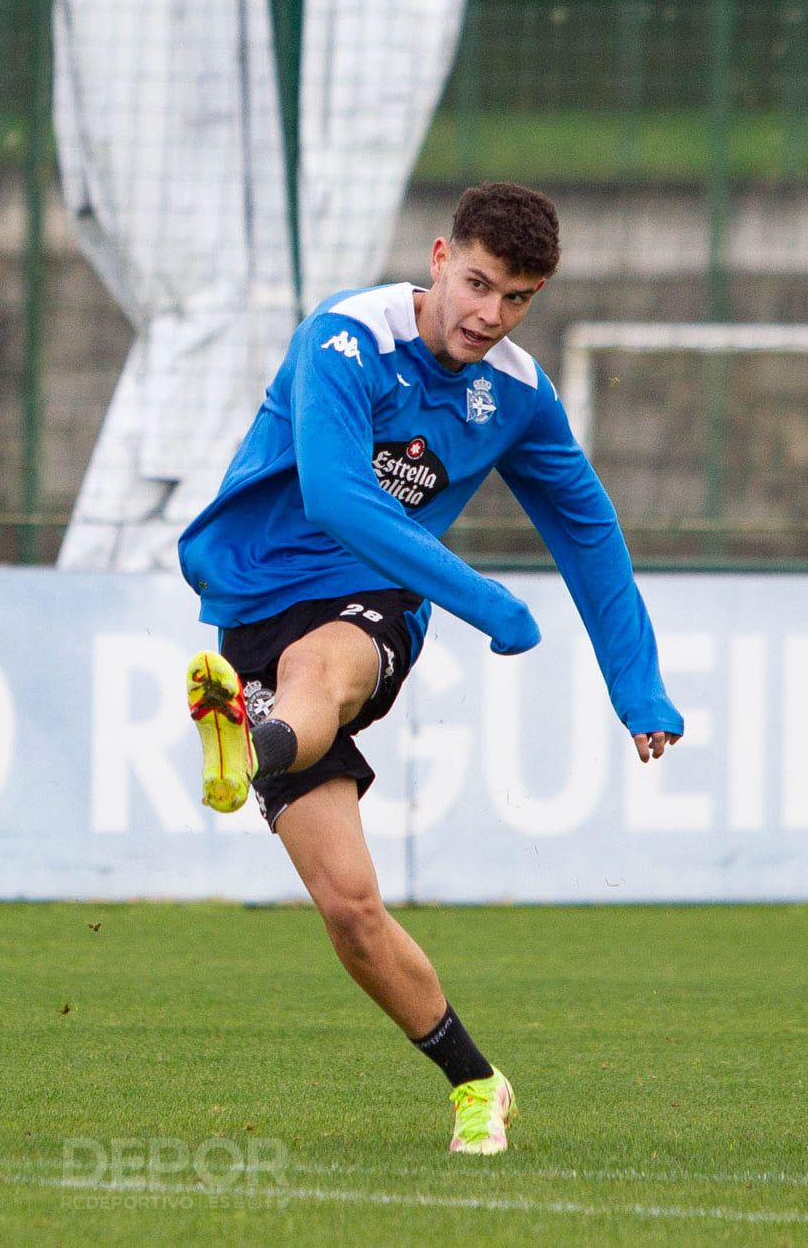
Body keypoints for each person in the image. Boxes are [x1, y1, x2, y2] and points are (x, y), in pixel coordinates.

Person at [177, 182, 684, 1156]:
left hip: (370, 603)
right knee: (351, 910)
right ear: (438, 256)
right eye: (481, 285)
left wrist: (636, 686)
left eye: (519, 298)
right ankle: (475, 1083)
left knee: (316, 670)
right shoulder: (342, 341)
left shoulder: (515, 398)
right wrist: (482, 598)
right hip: (253, 601)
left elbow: (587, 530)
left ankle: (252, 738)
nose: (490, 317)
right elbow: (329, 493)